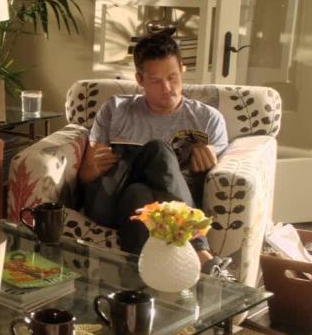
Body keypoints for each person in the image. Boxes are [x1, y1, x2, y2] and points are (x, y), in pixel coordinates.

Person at [79, 31, 234, 280]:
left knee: (140, 194)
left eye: (172, 77)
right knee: (158, 150)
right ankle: (200, 251)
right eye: (155, 81)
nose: (167, 88)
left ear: (182, 69)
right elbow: (85, 177)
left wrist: (209, 162)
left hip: (151, 206)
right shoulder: (115, 109)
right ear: (140, 79)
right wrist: (94, 168)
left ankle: (138, 288)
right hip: (110, 201)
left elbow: (218, 179)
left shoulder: (207, 119)